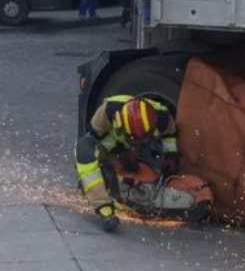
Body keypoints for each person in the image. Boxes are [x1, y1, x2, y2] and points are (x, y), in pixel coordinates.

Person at [75, 94, 178, 232]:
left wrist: (171, 155)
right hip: (113, 142)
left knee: (143, 170)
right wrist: (105, 167)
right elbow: (91, 140)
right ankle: (104, 208)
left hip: (146, 144)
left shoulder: (162, 117)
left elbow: (169, 135)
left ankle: (138, 185)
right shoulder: (107, 112)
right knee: (85, 150)